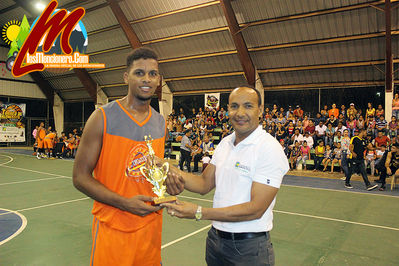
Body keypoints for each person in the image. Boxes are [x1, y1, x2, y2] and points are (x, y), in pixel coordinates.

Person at [72, 48, 182, 265]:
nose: (147, 79)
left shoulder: (160, 122)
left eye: (153, 74)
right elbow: (80, 177)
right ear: (126, 77)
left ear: (159, 80)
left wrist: (170, 184)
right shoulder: (102, 117)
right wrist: (124, 203)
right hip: (113, 229)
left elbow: (152, 174)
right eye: (139, 73)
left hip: (150, 229)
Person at [162, 86, 289, 266]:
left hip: (248, 249)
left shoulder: (269, 148)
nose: (240, 113)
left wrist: (199, 212)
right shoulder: (225, 143)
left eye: (248, 106)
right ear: (227, 109)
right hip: (216, 240)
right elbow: (204, 183)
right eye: (234, 106)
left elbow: (256, 208)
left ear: (260, 110)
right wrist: (169, 168)